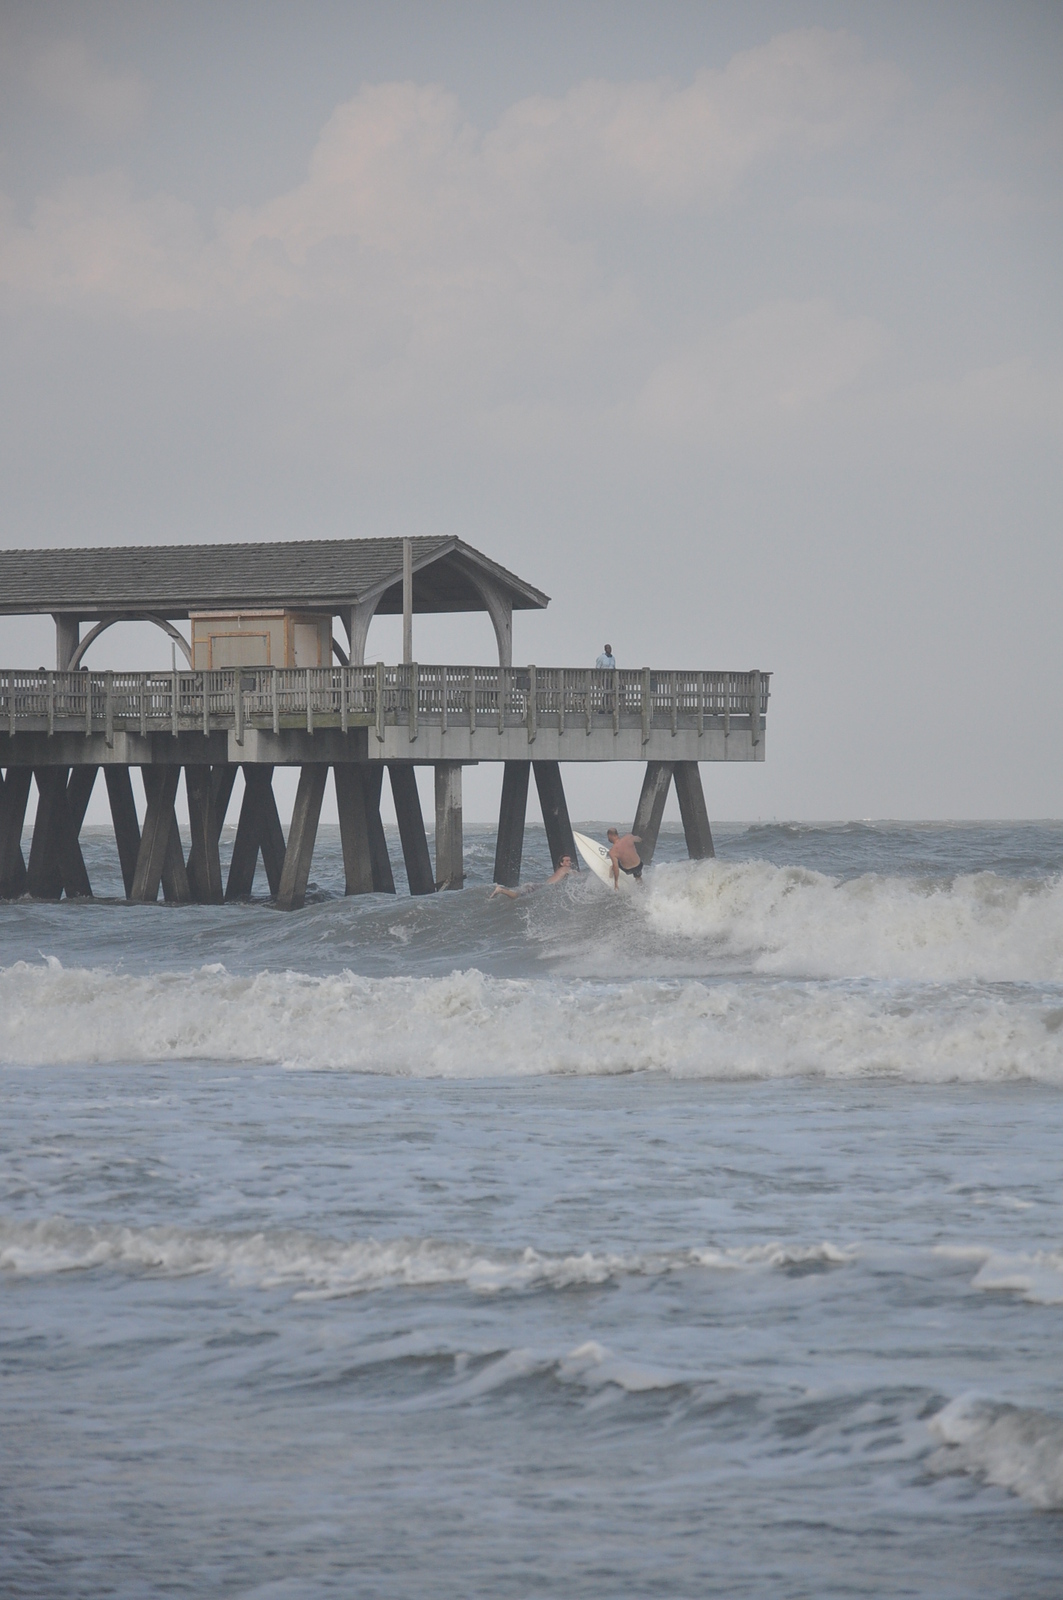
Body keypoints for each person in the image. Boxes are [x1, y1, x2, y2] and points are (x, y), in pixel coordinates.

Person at [490, 856, 574, 900]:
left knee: (518, 894)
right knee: (517, 896)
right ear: (561, 863)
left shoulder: (559, 871)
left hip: (536, 885)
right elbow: (577, 875)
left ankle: (501, 889)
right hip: (541, 887)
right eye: (566, 861)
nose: (569, 862)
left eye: (570, 860)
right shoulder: (566, 869)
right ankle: (501, 890)